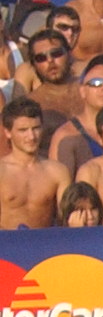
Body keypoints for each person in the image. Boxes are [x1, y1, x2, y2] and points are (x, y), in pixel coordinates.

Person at [0, 97, 70, 229]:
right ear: (8, 132)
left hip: (44, 245)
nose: (31, 136)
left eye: (36, 128)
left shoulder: (57, 172)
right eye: (23, 130)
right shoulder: (1, 171)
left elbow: (65, 219)